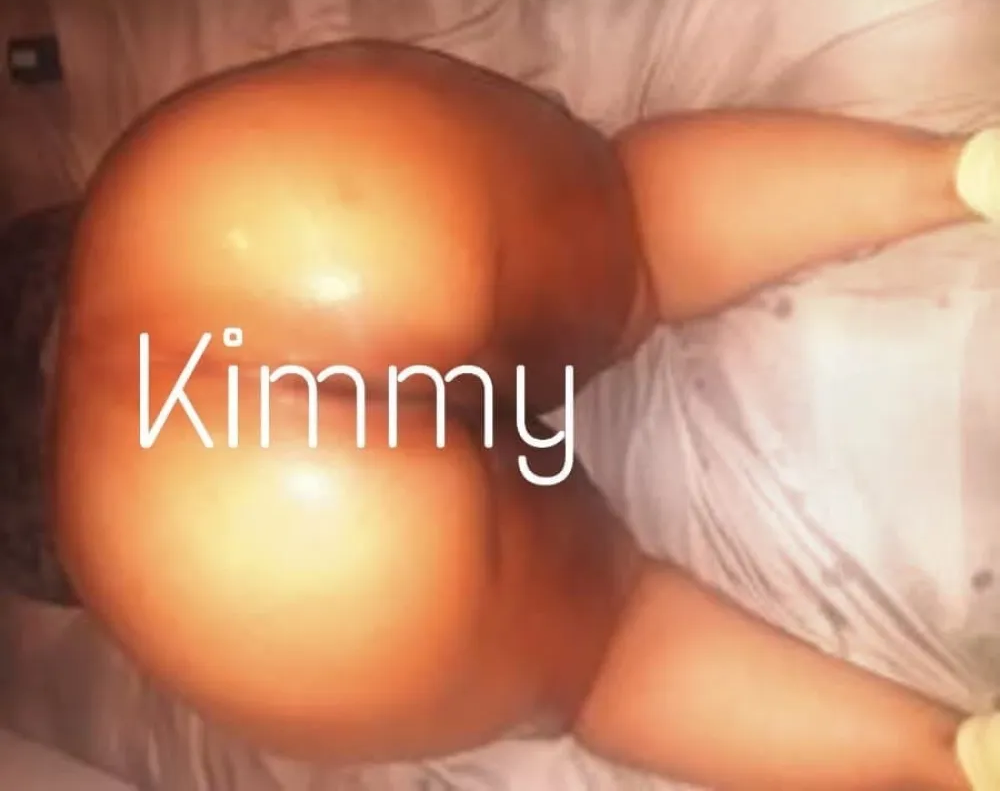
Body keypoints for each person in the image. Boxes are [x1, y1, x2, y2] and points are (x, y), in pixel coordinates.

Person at [49, 39, 1000, 790]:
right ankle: (957, 176)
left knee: (610, 654)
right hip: (211, 212)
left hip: (199, 550)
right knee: (634, 233)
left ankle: (953, 760)